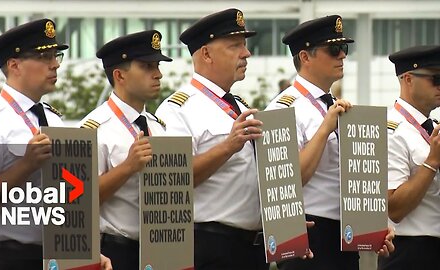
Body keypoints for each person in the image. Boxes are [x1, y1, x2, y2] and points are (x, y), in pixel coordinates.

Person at [0, 18, 112, 270]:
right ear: (14, 64)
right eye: (44, 57)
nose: (54, 65)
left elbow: (68, 197)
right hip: (7, 258)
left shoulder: (52, 119)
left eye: (56, 56)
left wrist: (89, 249)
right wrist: (26, 165)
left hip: (57, 255)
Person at [264, 15, 395, 270]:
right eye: (334, 50)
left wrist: (374, 225)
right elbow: (289, 179)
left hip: (345, 235)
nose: (342, 56)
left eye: (344, 49)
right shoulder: (282, 109)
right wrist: (325, 128)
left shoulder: (333, 105)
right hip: (310, 237)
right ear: (305, 57)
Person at [155, 8, 268, 270]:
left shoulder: (239, 105)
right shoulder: (177, 109)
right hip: (211, 245)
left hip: (254, 247)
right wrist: (227, 147)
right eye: (235, 46)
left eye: (245, 45)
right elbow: (173, 181)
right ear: (206, 54)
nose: (246, 53)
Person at [78, 30, 172, 270]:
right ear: (119, 75)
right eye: (147, 66)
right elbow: (76, 199)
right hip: (115, 252)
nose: (158, 74)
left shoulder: (157, 126)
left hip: (161, 250)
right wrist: (128, 167)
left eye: (157, 66)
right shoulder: (94, 129)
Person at [377, 45, 440, 270]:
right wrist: (432, 162)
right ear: (408, 79)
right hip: (410, 251)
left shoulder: (432, 128)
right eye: (435, 78)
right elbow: (393, 208)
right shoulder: (390, 130)